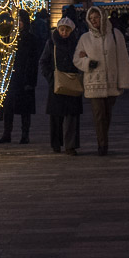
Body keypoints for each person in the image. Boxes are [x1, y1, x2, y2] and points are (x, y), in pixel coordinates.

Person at [74, 5, 129, 155]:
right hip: (94, 82)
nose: (94, 21)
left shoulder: (115, 34)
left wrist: (123, 80)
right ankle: (102, 145)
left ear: (102, 17)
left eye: (96, 18)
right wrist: (87, 63)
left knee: (107, 114)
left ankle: (103, 139)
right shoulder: (85, 38)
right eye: (91, 19)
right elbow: (77, 58)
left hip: (112, 81)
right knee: (99, 115)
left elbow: (123, 58)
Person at [39, 17, 82, 155]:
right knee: (56, 116)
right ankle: (56, 144)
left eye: (67, 30)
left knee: (72, 116)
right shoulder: (51, 43)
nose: (64, 32)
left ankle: (70, 146)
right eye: (62, 29)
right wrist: (51, 78)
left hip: (72, 81)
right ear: (57, 29)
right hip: (56, 83)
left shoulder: (76, 43)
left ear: (71, 30)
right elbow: (44, 61)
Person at [0, 12, 39, 144]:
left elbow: (33, 60)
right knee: (8, 106)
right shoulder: (8, 38)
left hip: (24, 76)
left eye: (20, 21)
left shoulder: (30, 38)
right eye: (16, 21)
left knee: (25, 108)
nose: (18, 23)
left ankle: (25, 134)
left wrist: (30, 80)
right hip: (11, 77)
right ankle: (7, 133)